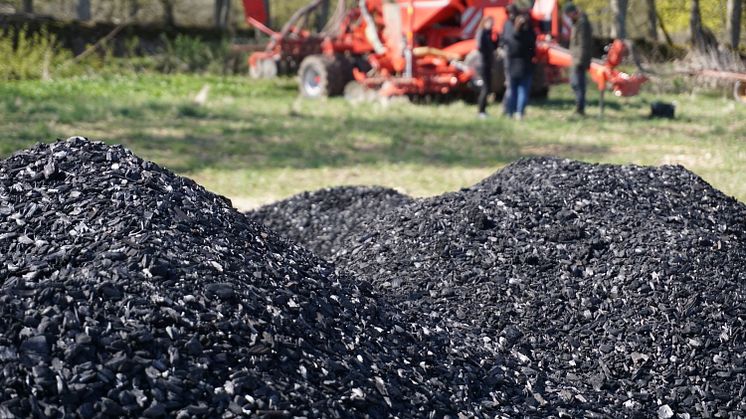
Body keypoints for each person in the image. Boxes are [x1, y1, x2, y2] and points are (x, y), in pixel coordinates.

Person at [504, 12, 536, 120]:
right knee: (522, 91)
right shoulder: (528, 37)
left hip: (512, 67)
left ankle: (510, 112)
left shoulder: (511, 37)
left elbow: (508, 51)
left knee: (512, 91)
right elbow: (533, 51)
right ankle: (520, 112)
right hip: (525, 67)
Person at [563, 2, 592, 115]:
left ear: (572, 12)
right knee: (576, 83)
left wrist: (580, 60)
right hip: (576, 58)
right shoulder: (577, 22)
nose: (568, 17)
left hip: (579, 60)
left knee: (577, 84)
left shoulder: (582, 23)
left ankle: (580, 109)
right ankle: (579, 107)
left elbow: (583, 43)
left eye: (568, 14)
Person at [476, 16, 497, 118]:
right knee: (485, 87)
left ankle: (483, 110)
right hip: (483, 64)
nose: (491, 25)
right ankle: (481, 111)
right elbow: (480, 46)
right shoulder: (482, 32)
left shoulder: (488, 33)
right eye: (490, 22)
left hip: (487, 63)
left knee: (488, 88)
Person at [500, 4, 519, 116]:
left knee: (513, 85)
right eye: (509, 13)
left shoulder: (519, 24)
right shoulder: (506, 24)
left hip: (517, 59)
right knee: (510, 84)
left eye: (512, 13)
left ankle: (511, 108)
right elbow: (502, 38)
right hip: (508, 58)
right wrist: (501, 47)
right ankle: (507, 108)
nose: (511, 15)